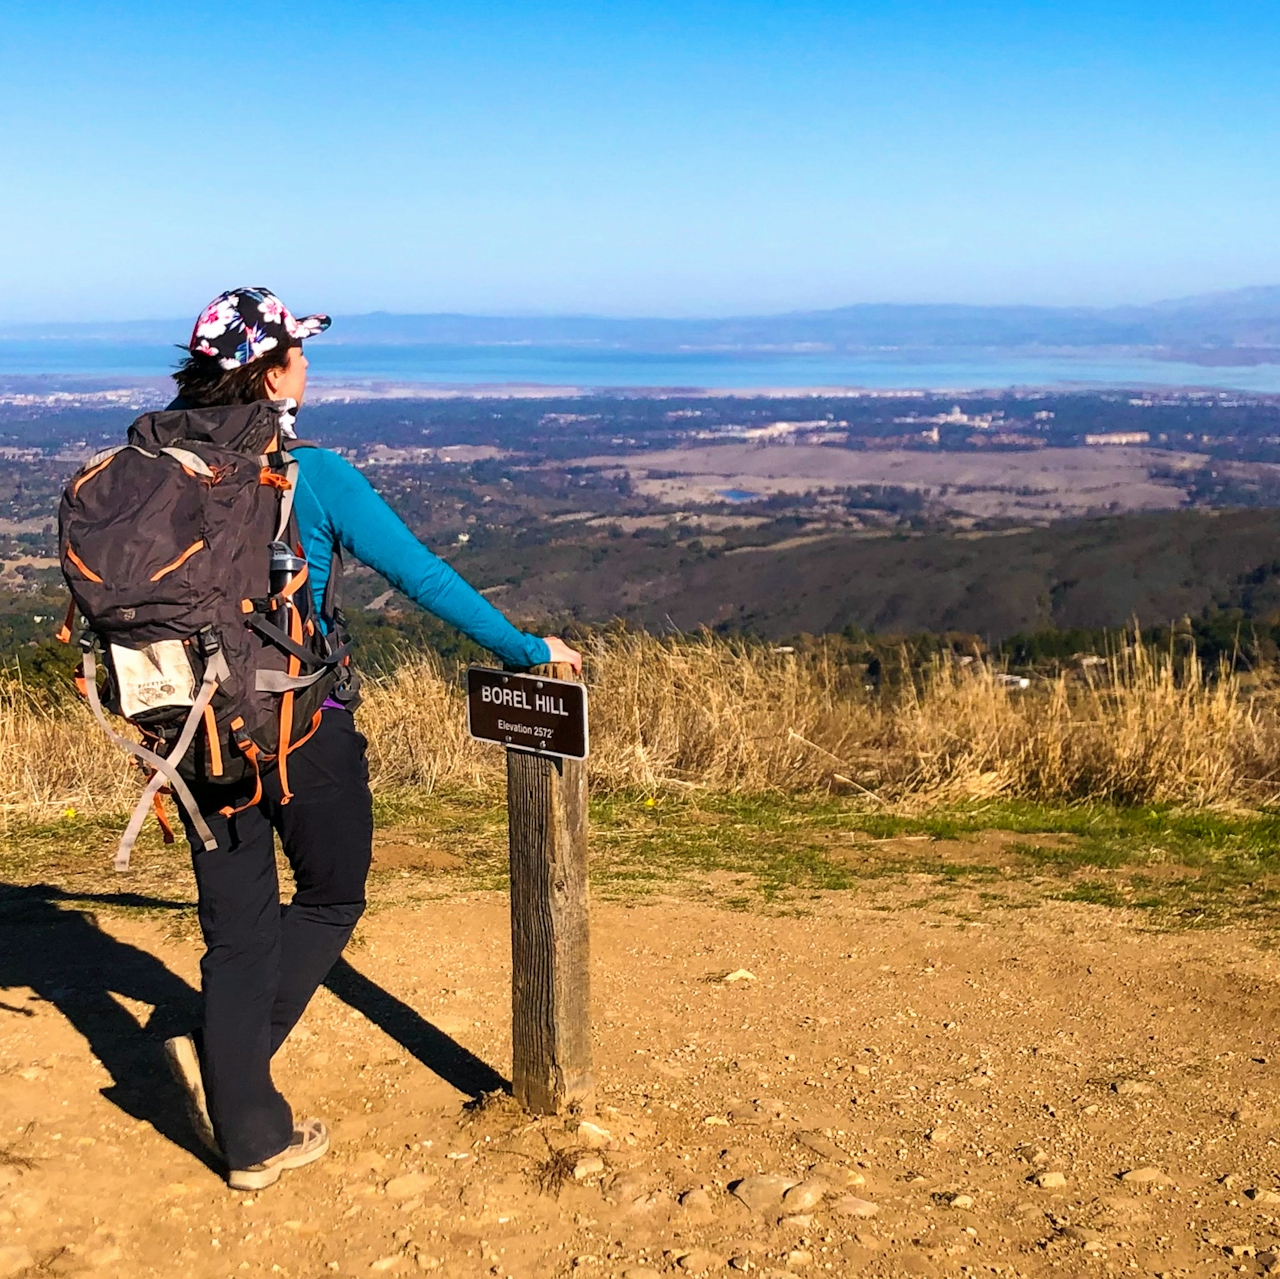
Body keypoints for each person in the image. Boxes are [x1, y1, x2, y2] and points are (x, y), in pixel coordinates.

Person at [160, 287, 581, 1191]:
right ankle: (237, 1069)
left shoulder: (159, 474)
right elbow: (421, 575)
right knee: (329, 896)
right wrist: (525, 648)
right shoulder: (313, 473)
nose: (309, 365)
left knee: (236, 932)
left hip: (189, 736)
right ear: (271, 374)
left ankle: (249, 1128)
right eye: (298, 353)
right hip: (299, 725)